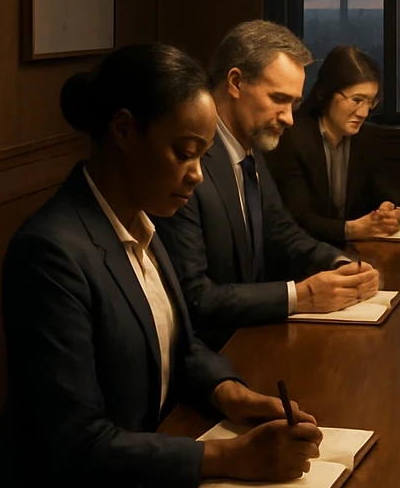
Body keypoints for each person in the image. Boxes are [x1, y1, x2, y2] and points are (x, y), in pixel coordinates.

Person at [0, 44, 323, 488]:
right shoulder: (52, 252)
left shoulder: (143, 221)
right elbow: (77, 446)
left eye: (203, 155)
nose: (196, 174)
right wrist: (228, 457)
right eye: (185, 152)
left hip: (145, 475)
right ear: (124, 130)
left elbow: (180, 343)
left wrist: (232, 394)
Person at [155, 21, 379, 352]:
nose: (289, 118)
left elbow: (283, 234)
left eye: (294, 105)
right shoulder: (190, 159)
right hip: (210, 356)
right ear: (235, 82)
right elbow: (194, 296)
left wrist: (341, 265)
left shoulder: (250, 147)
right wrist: (300, 296)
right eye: (278, 99)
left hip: (254, 340)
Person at [266, 45, 400, 245]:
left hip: (357, 254)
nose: (363, 113)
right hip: (304, 257)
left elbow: (397, 194)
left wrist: (396, 215)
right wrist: (352, 229)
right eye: (356, 100)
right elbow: (298, 219)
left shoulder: (366, 138)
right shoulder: (292, 139)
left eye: (370, 101)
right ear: (326, 93)